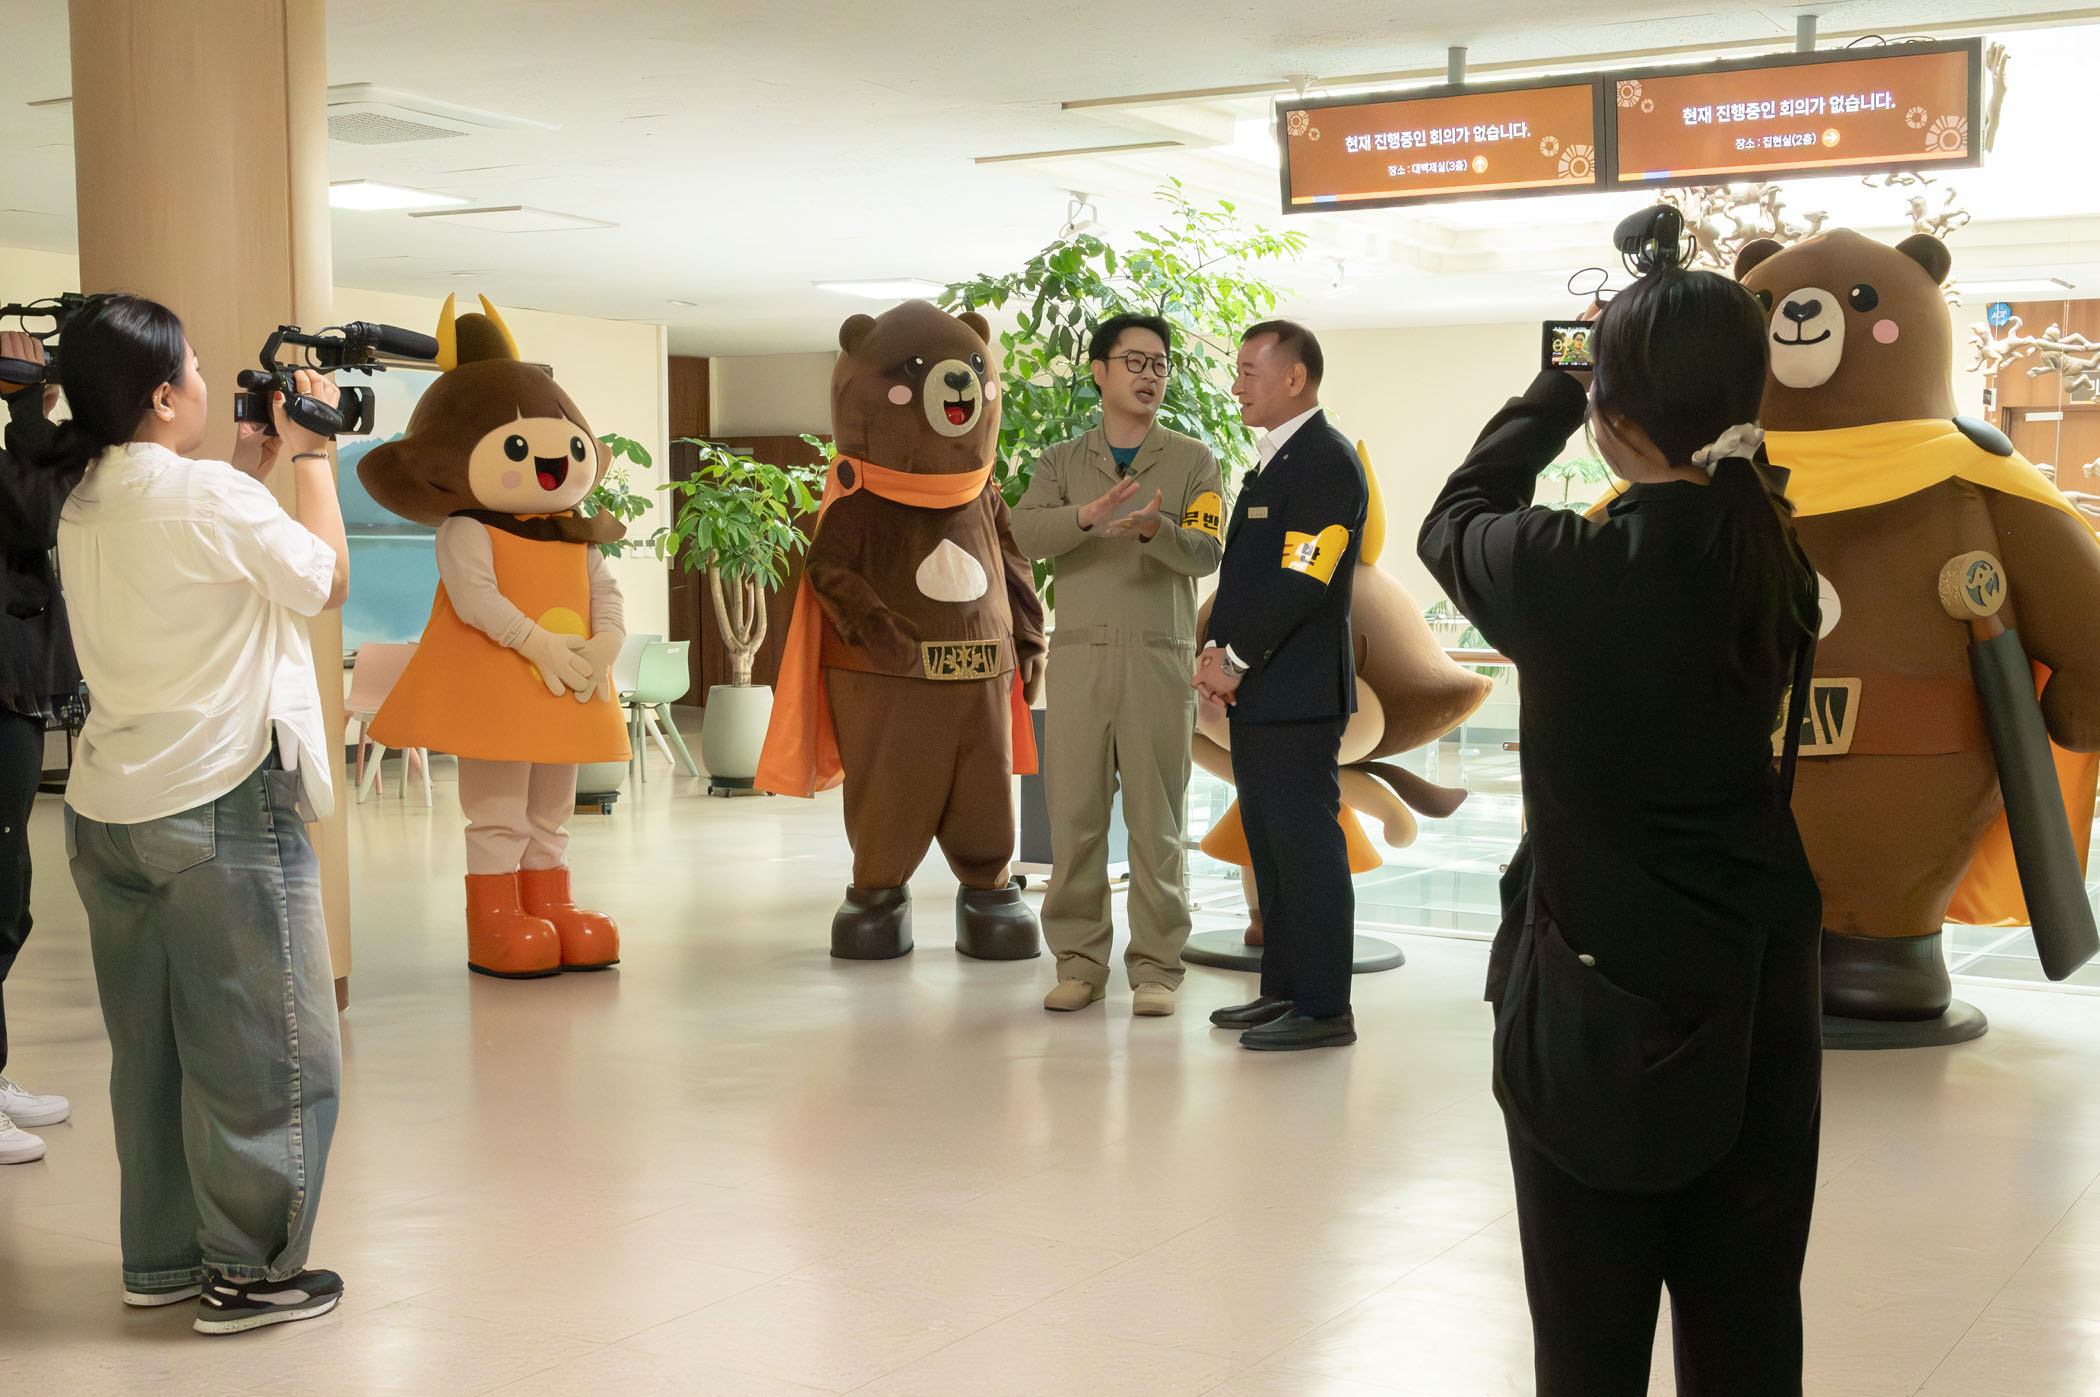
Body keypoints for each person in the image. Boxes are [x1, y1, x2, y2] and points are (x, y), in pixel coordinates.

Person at [1417, 275, 1822, 1393]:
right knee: (1749, 1323)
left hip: (1598, 992)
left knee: (1588, 1338)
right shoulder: (1773, 553)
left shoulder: (1568, 566)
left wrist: (1560, 379)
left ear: (1615, 410)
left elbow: (1455, 515)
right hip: (1759, 979)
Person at [43, 293, 347, 1333]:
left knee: (155, 1052)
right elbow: (325, 581)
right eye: (198, 367)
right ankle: (249, 1275)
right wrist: (314, 457)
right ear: (165, 396)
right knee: (268, 1050)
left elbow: (194, 563)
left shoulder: (83, 499)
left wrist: (251, 468)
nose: (213, 382)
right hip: (217, 799)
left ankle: (164, 1259)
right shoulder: (207, 496)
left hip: (110, 810)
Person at [1012, 312, 1224, 1017]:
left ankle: (1157, 967)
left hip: (1159, 659)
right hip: (1079, 660)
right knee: (1074, 821)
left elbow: (1208, 550)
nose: (1150, 375)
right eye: (1136, 361)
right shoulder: (1060, 462)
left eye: (1160, 364)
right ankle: (1078, 963)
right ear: (1099, 372)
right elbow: (1023, 532)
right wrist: (1085, 516)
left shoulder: (1193, 460)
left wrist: (1154, 528)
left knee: (1156, 825)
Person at [1196, 320, 1368, 1051]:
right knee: (1271, 848)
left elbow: (1303, 581)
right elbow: (1247, 576)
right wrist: (1215, 650)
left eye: (1248, 371)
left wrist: (1232, 658)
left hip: (1297, 692)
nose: (1235, 385)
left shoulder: (1326, 460)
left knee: (1307, 851)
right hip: (1261, 690)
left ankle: (1325, 1007)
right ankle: (1285, 991)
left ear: (1294, 378)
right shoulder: (1275, 461)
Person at [0, 331, 81, 1164]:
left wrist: (35, 412)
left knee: (10, 893)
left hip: (15, 694)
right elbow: (32, 515)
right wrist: (27, 408)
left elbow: (49, 488)